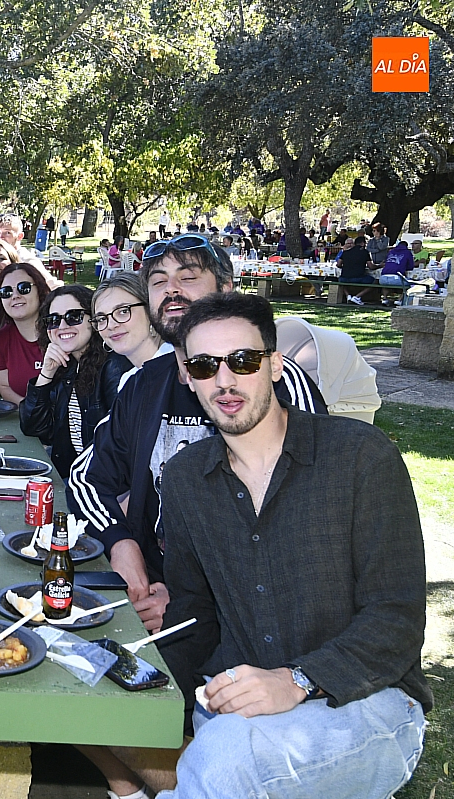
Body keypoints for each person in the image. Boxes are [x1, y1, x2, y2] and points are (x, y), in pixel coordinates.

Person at [157, 292, 429, 799]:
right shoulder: (185, 478)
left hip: (366, 700)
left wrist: (298, 679)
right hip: (238, 705)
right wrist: (135, 675)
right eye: (203, 365)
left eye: (242, 360)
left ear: (275, 364)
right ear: (184, 374)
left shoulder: (360, 456)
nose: (224, 381)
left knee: (224, 763)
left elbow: (397, 617)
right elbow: (192, 614)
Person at [66, 233, 324, 635]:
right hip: (151, 597)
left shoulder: (274, 381)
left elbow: (309, 523)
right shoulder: (145, 384)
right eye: (158, 281)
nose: (171, 289)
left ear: (225, 288)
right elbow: (88, 478)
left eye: (188, 277)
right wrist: (121, 544)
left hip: (257, 622)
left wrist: (192, 599)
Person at [20, 284, 124, 478]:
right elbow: (34, 427)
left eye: (73, 317)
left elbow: (122, 446)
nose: (62, 327)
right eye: (53, 320)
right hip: (72, 477)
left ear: (93, 320)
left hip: (101, 486)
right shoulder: (67, 366)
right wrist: (47, 372)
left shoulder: (113, 367)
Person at [0, 261, 51, 404]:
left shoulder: (60, 331)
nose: (15, 296)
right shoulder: (2, 338)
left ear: (39, 290)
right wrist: (29, 410)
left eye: (23, 288)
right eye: (6, 292)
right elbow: (4, 386)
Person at [90, 271, 167, 388]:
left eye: (123, 311)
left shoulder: (180, 370)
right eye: (101, 319)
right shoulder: (128, 381)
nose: (111, 325)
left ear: (151, 311)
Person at [338, 235, 375, 305]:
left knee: (340, 280)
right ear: (362, 243)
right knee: (375, 282)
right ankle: (357, 296)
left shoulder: (346, 252)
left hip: (344, 278)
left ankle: (348, 295)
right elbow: (371, 266)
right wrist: (380, 265)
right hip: (358, 277)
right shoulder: (365, 252)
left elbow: (338, 264)